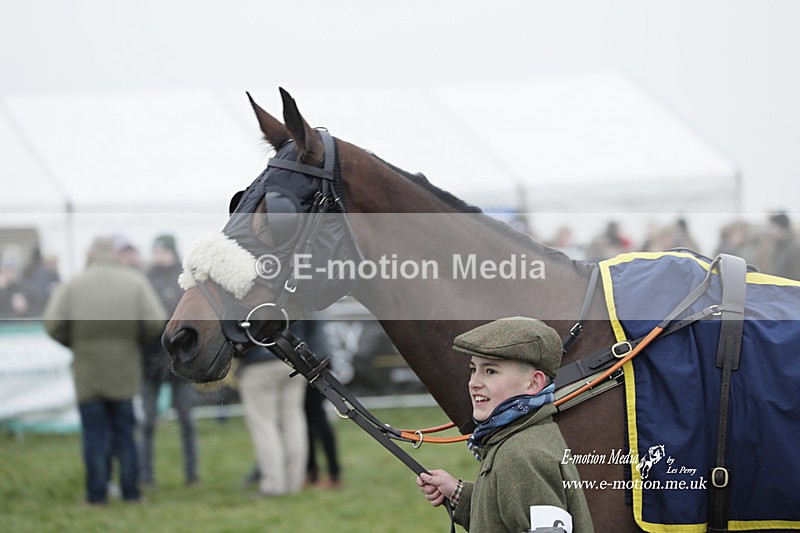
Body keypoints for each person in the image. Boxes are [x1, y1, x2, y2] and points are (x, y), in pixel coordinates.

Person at [416, 317, 593, 532]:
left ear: (533, 383)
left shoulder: (522, 455)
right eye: (474, 369)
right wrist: (458, 494)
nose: (474, 382)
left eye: (490, 371)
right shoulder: (519, 437)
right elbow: (503, 518)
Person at [43, 236, 166, 505]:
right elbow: (155, 321)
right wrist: (133, 340)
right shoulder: (135, 282)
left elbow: (52, 324)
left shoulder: (73, 284)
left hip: (87, 371)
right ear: (113, 254)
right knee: (125, 433)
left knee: (94, 435)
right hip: (124, 370)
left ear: (90, 254)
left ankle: (96, 495)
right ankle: (131, 493)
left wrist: (75, 342)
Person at [139, 235, 199, 487]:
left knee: (186, 421)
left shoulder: (185, 279)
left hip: (180, 361)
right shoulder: (146, 279)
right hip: (150, 361)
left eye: (163, 251)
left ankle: (191, 475)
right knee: (148, 421)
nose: (159, 255)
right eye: (156, 251)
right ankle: (146, 476)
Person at [237, 341, 308, 496]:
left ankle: (273, 485)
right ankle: (293, 483)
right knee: (293, 421)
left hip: (258, 364)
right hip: (292, 361)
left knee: (264, 425)